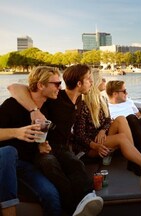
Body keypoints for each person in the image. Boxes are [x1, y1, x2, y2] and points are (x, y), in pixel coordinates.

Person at [8, 64, 104, 216]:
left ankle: (88, 196)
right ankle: (75, 206)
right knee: (50, 163)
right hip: (42, 150)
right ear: (79, 83)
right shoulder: (54, 99)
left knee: (74, 163)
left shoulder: (78, 102)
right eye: (89, 79)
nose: (59, 87)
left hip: (58, 147)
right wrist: (35, 111)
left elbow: (75, 130)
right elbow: (14, 87)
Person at [0, 66, 63, 216]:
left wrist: (41, 146)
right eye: (57, 84)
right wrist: (17, 133)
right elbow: (13, 86)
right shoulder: (11, 105)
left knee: (51, 195)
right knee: (9, 151)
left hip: (25, 165)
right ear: (41, 85)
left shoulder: (46, 109)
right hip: (3, 160)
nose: (60, 87)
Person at [72, 69, 141, 173]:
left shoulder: (103, 99)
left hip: (101, 137)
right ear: (96, 82)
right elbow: (79, 134)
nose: (105, 81)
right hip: (90, 145)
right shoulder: (83, 103)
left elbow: (108, 120)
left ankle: (134, 159)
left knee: (121, 119)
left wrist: (102, 130)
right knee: (121, 138)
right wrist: (95, 146)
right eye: (103, 79)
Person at [106, 80, 141, 152]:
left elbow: (139, 116)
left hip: (138, 130)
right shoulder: (108, 108)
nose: (127, 93)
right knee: (131, 117)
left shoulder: (129, 101)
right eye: (124, 91)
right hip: (128, 135)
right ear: (115, 94)